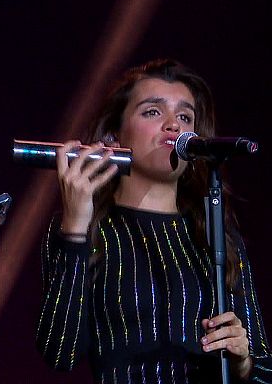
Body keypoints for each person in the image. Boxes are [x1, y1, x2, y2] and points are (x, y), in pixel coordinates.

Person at [35, 59, 272, 383]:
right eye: (153, 112)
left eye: (185, 116)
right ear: (115, 133)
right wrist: (75, 229)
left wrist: (243, 361)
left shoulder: (216, 234)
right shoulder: (91, 230)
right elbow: (60, 352)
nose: (173, 125)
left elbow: (264, 369)